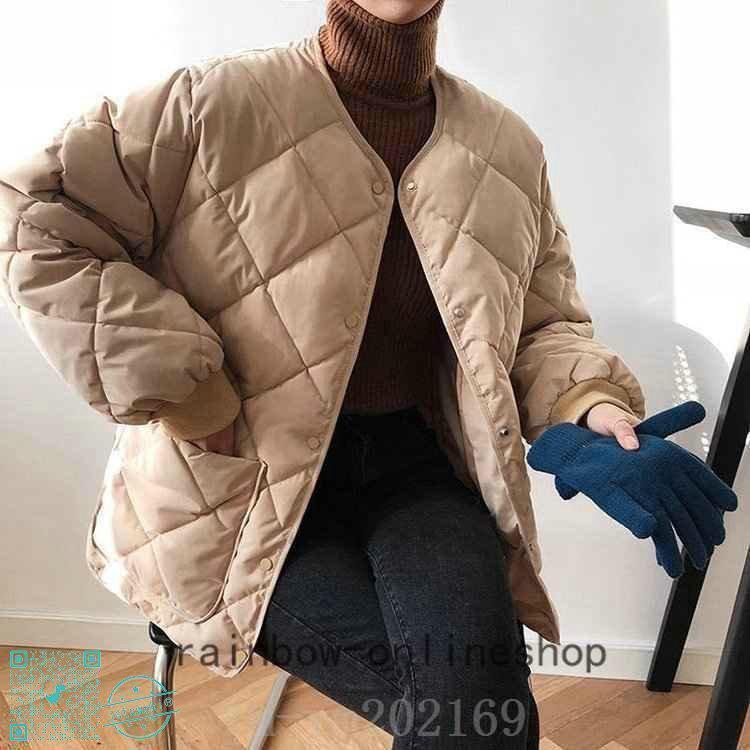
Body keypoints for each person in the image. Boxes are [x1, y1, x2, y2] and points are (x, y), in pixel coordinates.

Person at [0, 1, 650, 747]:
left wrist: (588, 401)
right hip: (236, 488)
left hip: (418, 472)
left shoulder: (506, 147)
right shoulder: (209, 105)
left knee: (479, 707)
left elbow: (541, 324)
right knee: (483, 724)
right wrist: (182, 385)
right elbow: (30, 218)